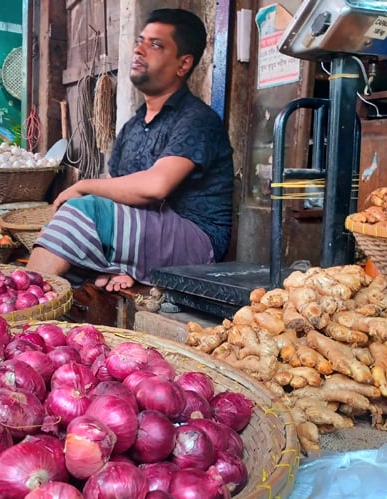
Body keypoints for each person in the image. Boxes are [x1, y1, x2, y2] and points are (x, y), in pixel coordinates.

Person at [27, 8, 233, 292]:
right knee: (73, 226)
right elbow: (117, 191)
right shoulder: (133, 127)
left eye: (155, 45)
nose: (139, 50)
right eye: (140, 41)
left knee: (83, 209)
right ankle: (46, 308)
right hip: (153, 230)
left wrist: (84, 187)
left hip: (198, 243)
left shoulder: (197, 120)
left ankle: (21, 302)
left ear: (183, 64)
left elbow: (156, 186)